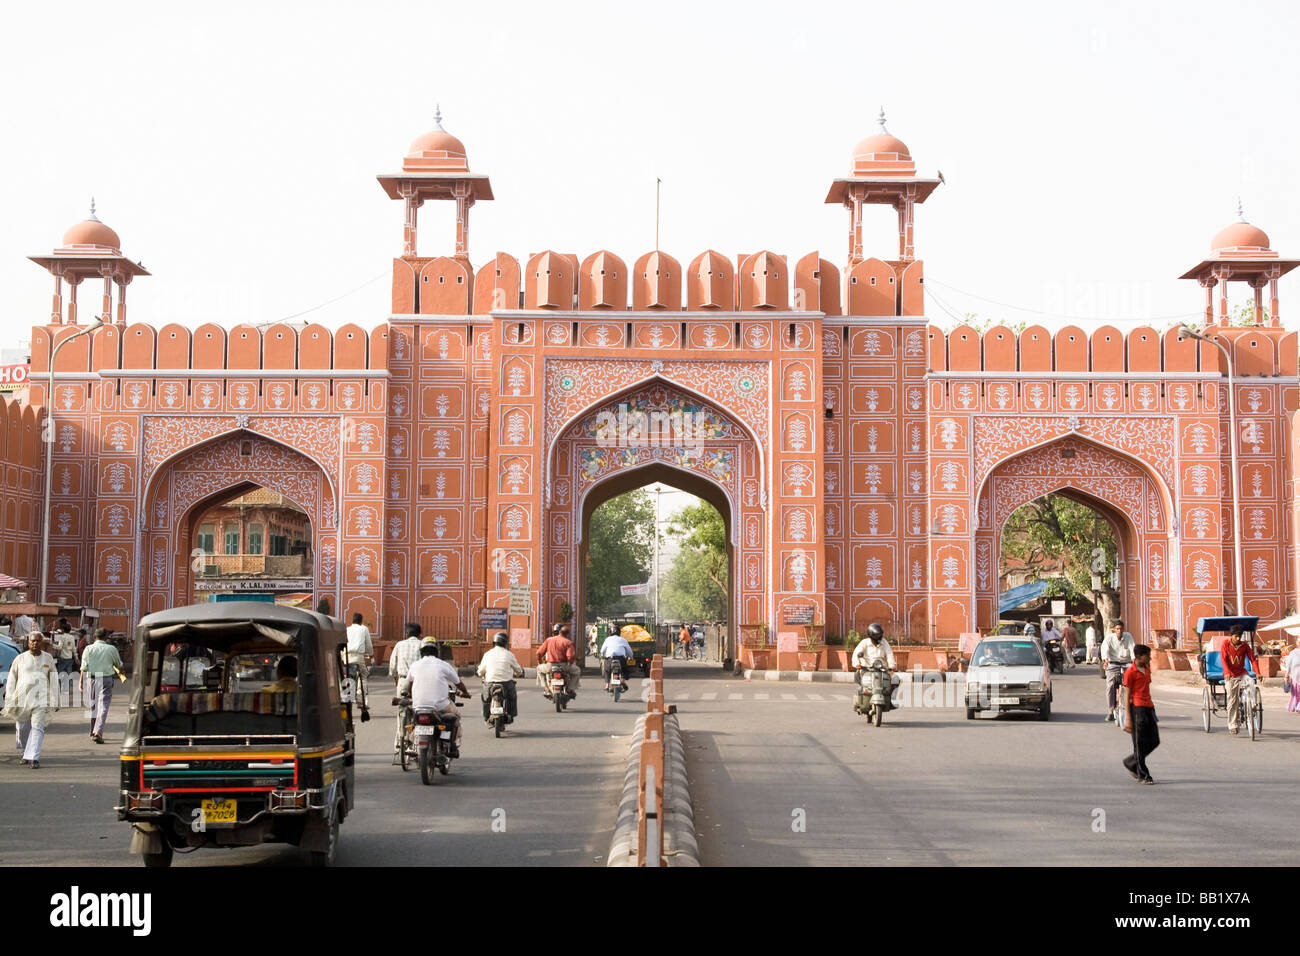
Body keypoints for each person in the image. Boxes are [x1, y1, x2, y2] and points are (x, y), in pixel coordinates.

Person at [399, 642, 470, 755]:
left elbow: (408, 685)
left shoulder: (415, 665)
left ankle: (412, 742)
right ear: (437, 652)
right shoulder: (443, 665)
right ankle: (452, 745)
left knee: (413, 720)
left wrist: (409, 696)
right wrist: (465, 692)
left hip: (418, 706)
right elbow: (458, 683)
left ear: (421, 653)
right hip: (440, 706)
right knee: (456, 716)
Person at [3, 632, 59, 768]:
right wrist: (9, 698)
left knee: (37, 726)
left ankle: (34, 757)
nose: (35, 643)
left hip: (41, 698)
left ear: (42, 643)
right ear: (28, 643)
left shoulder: (48, 658)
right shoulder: (20, 659)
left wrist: (56, 700)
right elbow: (11, 680)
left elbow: (54, 679)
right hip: (22, 698)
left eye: (38, 641)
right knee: (22, 728)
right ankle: (24, 752)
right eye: (32, 641)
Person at [1121, 644, 1158, 784]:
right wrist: (1128, 718)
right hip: (1137, 709)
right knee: (1139, 743)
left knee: (1154, 740)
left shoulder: (1147, 669)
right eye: (1147, 656)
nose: (1149, 658)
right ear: (1139, 656)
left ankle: (1130, 761)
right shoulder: (1130, 672)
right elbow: (1127, 695)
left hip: (1149, 707)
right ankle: (1143, 774)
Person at [80, 628, 124, 744]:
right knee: (103, 706)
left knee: (93, 706)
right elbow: (119, 664)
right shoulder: (111, 649)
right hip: (106, 679)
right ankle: (98, 732)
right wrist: (121, 672)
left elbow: (83, 667)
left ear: (94, 637)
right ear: (106, 637)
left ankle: (93, 731)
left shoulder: (88, 649)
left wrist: (80, 683)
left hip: (92, 679)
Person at [850, 623, 899, 714]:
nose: (879, 638)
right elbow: (856, 653)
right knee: (862, 685)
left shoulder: (884, 642)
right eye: (876, 636)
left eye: (880, 635)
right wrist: (857, 664)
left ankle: (891, 700)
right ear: (871, 636)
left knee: (896, 679)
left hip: (882, 669)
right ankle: (860, 702)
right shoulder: (864, 643)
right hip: (866, 669)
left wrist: (892, 665)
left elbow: (889, 654)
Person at [1221, 624, 1259, 735]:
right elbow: (1223, 660)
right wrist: (1227, 672)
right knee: (1232, 700)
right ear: (1231, 636)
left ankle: (1252, 703)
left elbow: (1252, 658)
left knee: (1251, 682)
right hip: (1230, 674)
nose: (1238, 639)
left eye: (1240, 636)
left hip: (1242, 673)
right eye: (1236, 636)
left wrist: (1258, 672)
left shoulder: (1245, 645)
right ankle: (1232, 725)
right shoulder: (1225, 644)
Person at [477, 632, 524, 722]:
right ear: (505, 643)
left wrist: (480, 674)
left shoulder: (487, 654)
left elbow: (480, 671)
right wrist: (518, 673)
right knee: (512, 698)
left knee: (485, 699)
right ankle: (510, 715)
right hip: (506, 683)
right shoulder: (509, 654)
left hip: (490, 683)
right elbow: (518, 670)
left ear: (494, 643)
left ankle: (486, 715)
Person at [1101, 620, 1135, 721]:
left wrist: (1134, 660)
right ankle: (1111, 710)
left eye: (1121, 629)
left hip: (1127, 662)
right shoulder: (1109, 638)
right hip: (1113, 663)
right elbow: (1104, 649)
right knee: (1110, 686)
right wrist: (1106, 659)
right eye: (1117, 629)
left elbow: (1132, 648)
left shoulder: (1128, 636)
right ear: (1114, 630)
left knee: (1131, 685)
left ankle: (1131, 709)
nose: (1119, 631)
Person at [536, 623, 579, 699]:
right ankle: (570, 689)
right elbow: (570, 656)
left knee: (539, 669)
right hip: (563, 666)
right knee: (577, 671)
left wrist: (540, 662)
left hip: (550, 666)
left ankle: (546, 688)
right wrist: (570, 663)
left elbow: (539, 653)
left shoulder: (549, 640)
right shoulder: (568, 642)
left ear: (559, 632)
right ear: (567, 634)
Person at [50, 618, 79, 683]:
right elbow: (74, 648)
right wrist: (76, 658)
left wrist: (52, 645)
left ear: (63, 630)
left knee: (60, 673)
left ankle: (59, 686)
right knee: (68, 673)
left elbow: (59, 647)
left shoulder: (62, 637)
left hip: (63, 658)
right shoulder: (72, 637)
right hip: (69, 658)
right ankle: (67, 687)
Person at [1283, 635, 1300, 714]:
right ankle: (1295, 706)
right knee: (1296, 693)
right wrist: (1286, 675)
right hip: (1295, 676)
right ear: (1297, 643)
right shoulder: (1293, 653)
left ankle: (1298, 707)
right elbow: (1289, 664)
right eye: (1299, 642)